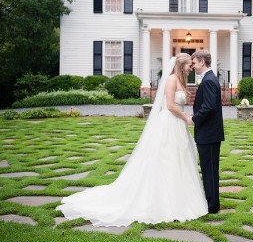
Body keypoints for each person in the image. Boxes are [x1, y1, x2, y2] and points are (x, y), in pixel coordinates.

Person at [56, 53, 207, 227]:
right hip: (170, 123)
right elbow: (171, 105)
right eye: (189, 65)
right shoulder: (172, 79)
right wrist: (185, 117)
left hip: (178, 124)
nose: (191, 68)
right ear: (182, 65)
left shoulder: (182, 81)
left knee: (180, 159)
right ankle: (163, 201)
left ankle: (180, 198)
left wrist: (184, 117)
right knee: (167, 159)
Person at [190, 50, 225, 214]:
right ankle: (212, 201)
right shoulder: (210, 78)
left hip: (209, 134)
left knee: (209, 170)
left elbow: (209, 106)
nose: (193, 66)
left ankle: (212, 206)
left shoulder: (209, 80)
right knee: (209, 169)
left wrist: (194, 119)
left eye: (194, 62)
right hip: (209, 133)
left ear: (202, 61)